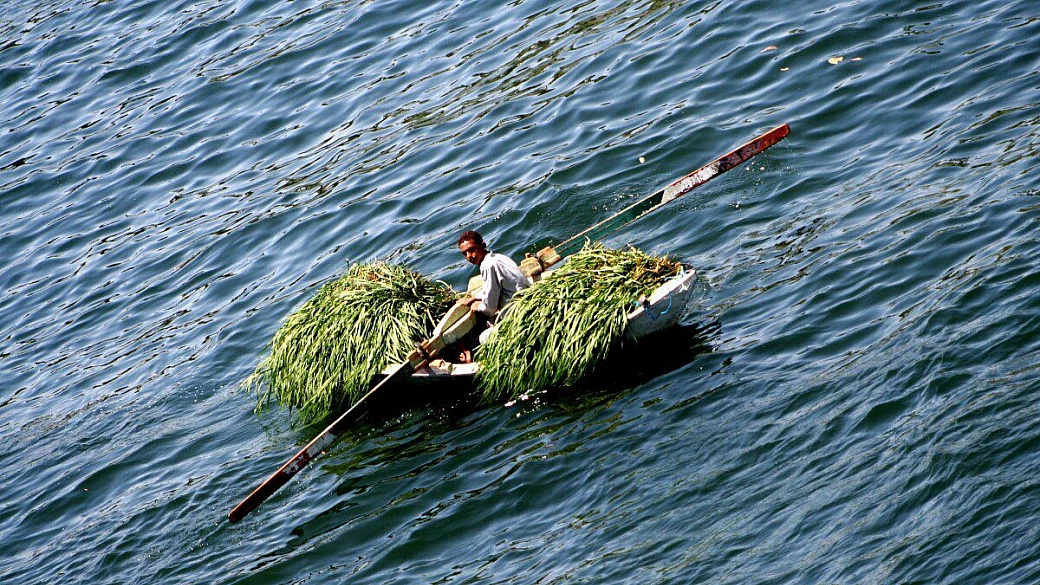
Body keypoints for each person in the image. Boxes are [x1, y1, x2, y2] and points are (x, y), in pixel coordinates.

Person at [457, 230, 529, 345]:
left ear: (483, 245)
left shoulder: (487, 266)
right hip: (525, 304)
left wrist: (477, 306)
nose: (469, 256)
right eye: (464, 253)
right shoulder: (498, 257)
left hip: (518, 315)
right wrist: (475, 297)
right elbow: (492, 287)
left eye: (472, 250)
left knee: (476, 341)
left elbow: (490, 309)